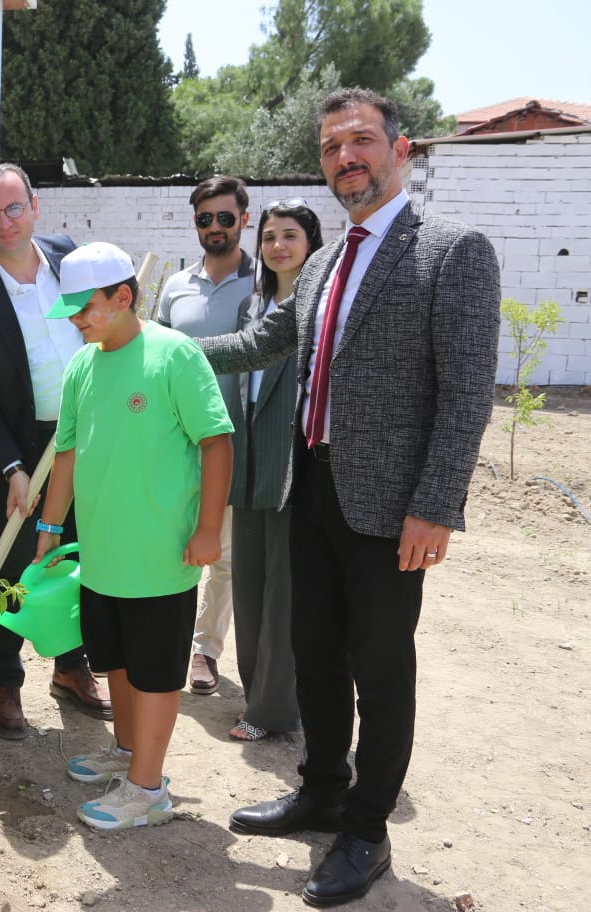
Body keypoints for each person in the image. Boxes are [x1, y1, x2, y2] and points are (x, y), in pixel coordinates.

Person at [201, 88, 501, 906]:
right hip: (314, 486)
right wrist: (165, 345)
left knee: (380, 666)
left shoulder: (451, 248)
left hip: (392, 506)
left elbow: (468, 391)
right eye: (332, 146)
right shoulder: (326, 261)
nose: (345, 157)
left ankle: (366, 829)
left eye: (361, 141)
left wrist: (436, 505)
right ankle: (323, 791)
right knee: (315, 655)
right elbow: (266, 340)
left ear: (400, 150)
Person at [38, 242, 232, 831]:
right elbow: (66, 454)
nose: (76, 320)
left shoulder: (174, 355)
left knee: (154, 669)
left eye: (86, 307)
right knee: (116, 660)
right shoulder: (82, 365)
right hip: (101, 552)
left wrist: (208, 529)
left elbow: (216, 441)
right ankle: (127, 754)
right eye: (69, 310)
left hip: (160, 553)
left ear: (124, 297)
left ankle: (148, 789)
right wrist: (49, 527)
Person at [0, 163, 110, 741]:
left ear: (35, 206)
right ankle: (8, 683)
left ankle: (71, 667)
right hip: (21, 447)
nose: (4, 221)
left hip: (86, 433)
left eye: (14, 207)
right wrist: (12, 466)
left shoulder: (70, 259)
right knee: (14, 566)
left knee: (79, 556)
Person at [155, 175, 256, 697]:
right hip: (175, 439)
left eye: (224, 217)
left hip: (234, 440)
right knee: (173, 540)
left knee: (224, 554)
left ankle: (205, 650)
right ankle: (166, 641)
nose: (214, 227)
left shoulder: (263, 284)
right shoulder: (175, 287)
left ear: (244, 218)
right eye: (204, 218)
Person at [227, 199, 324, 743]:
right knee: (248, 588)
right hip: (248, 463)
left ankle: (270, 711)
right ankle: (254, 696)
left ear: (311, 244)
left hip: (291, 466)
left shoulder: (317, 309)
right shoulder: (254, 304)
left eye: (290, 235)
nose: (278, 246)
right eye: (268, 237)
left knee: (283, 596)